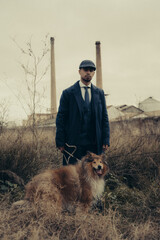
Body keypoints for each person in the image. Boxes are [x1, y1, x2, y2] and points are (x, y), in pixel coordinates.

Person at [55, 60, 110, 165]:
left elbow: (104, 117)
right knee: (72, 175)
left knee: (93, 176)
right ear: (79, 71)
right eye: (85, 70)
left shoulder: (99, 93)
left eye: (91, 70)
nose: (88, 72)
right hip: (74, 143)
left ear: (94, 73)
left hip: (94, 142)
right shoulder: (68, 93)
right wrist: (60, 141)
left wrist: (106, 139)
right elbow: (61, 118)